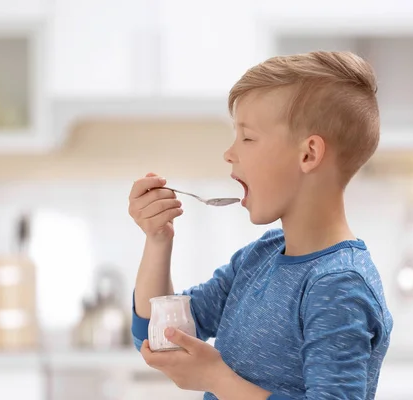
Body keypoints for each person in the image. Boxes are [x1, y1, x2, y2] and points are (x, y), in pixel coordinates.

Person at [127, 50, 393, 400]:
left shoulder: (338, 285)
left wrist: (216, 378)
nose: (229, 153)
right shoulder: (260, 258)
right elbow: (157, 333)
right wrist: (158, 239)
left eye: (247, 137)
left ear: (308, 154)